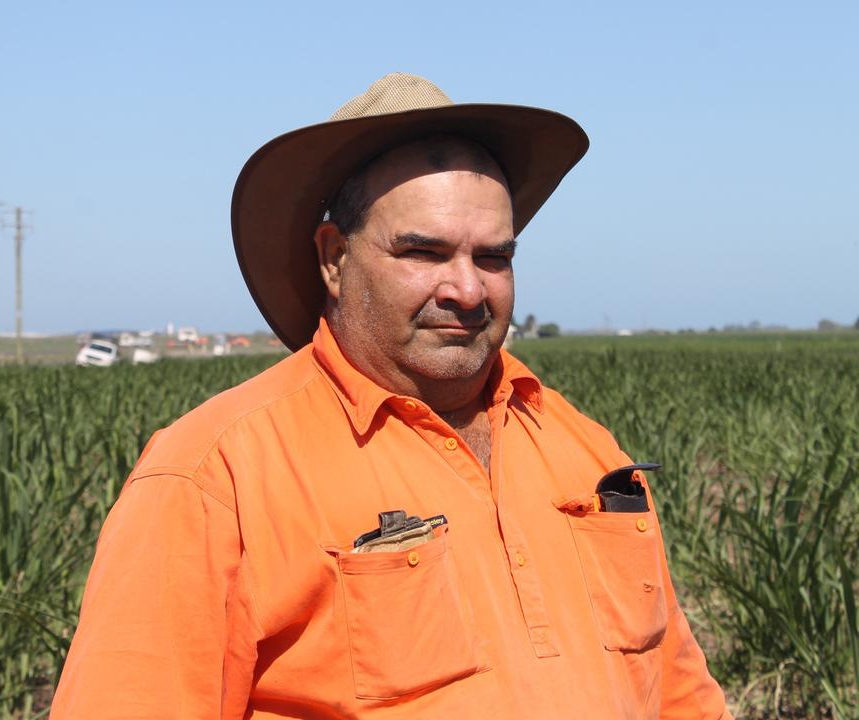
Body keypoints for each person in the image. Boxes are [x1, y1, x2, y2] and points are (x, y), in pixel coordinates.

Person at [50, 73, 730, 719]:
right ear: (334, 260)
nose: (468, 290)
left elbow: (681, 693)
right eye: (424, 253)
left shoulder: (584, 448)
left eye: (493, 257)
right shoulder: (213, 476)